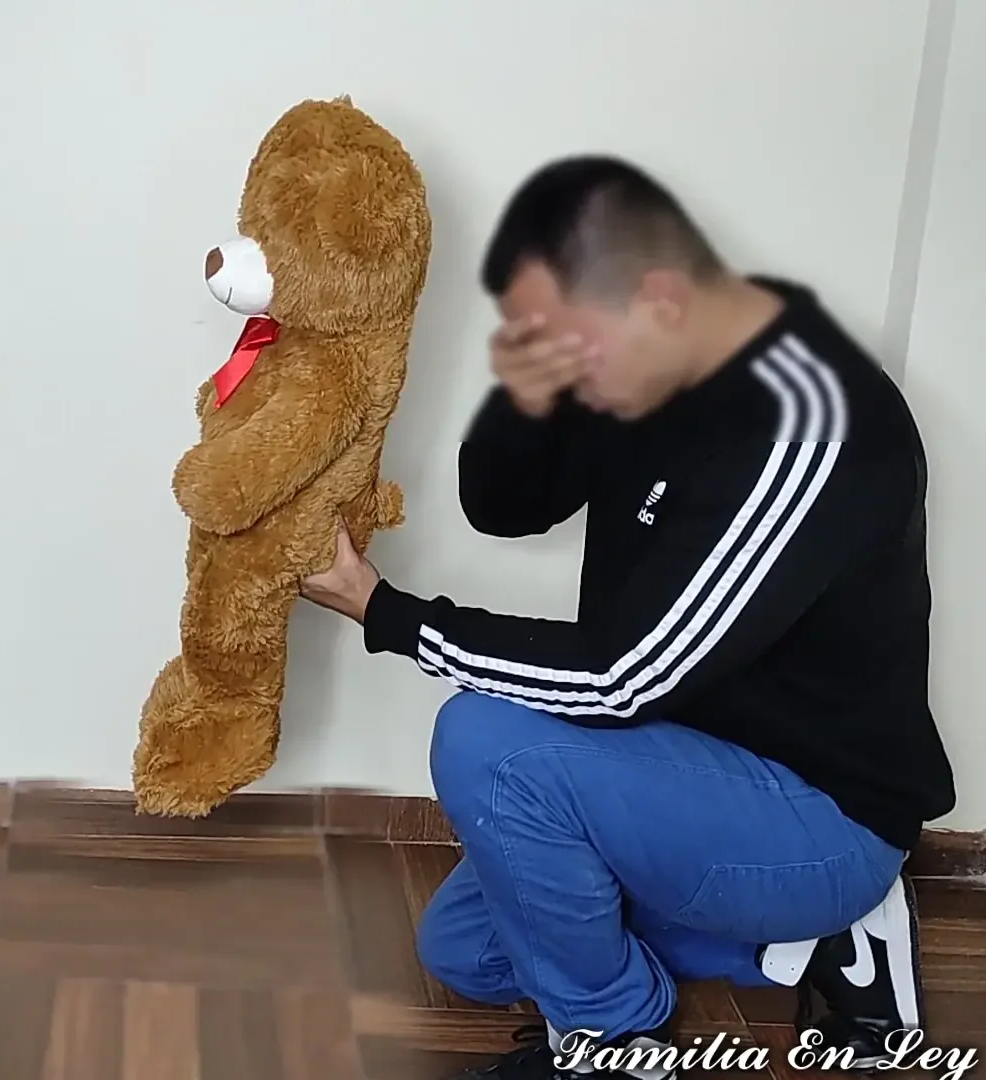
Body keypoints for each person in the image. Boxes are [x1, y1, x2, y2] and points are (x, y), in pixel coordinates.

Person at [299, 156, 954, 1080]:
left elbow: (620, 676)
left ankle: (613, 1040)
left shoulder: (811, 422)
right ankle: (803, 945)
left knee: (489, 746)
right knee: (465, 954)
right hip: (676, 765)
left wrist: (385, 613)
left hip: (816, 812)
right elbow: (503, 506)